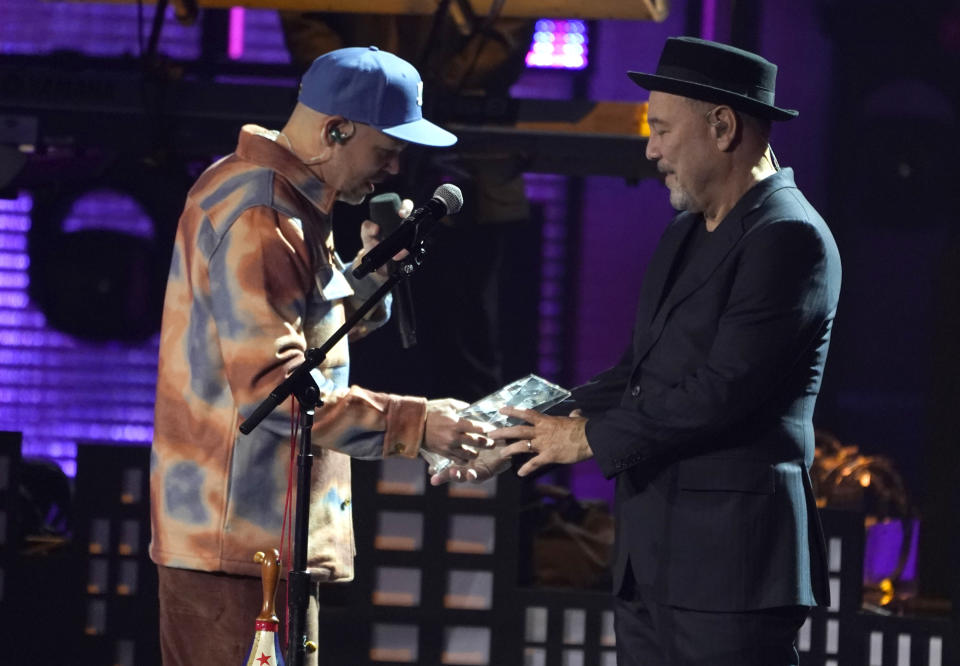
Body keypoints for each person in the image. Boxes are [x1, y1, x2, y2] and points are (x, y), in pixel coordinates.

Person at [442, 36, 842, 665]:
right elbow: (638, 373)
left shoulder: (788, 237)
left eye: (660, 129)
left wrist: (583, 439)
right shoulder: (684, 231)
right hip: (650, 556)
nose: (650, 149)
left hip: (730, 568)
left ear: (723, 126)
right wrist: (523, 429)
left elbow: (722, 391)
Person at [149, 46, 493, 666]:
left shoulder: (286, 201)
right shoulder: (262, 214)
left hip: (254, 546)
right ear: (337, 130)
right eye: (386, 150)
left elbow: (306, 337)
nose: (392, 170)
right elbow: (275, 389)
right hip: (240, 550)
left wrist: (369, 278)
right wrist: (419, 425)